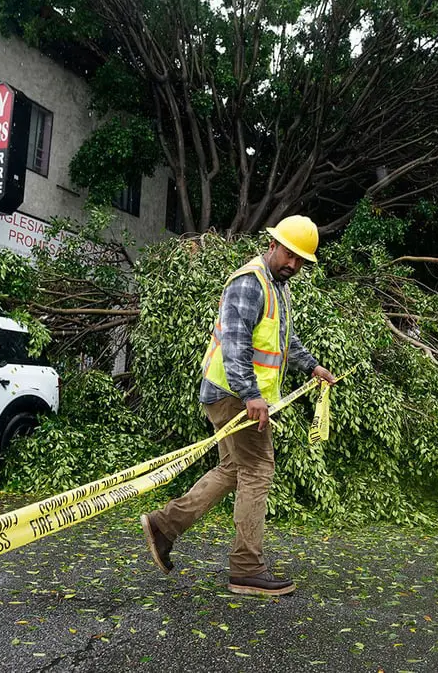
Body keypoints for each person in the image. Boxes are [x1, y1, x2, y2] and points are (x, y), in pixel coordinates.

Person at [140, 215, 337, 597]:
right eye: (290, 255)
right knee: (259, 469)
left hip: (234, 394)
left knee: (232, 470)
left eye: (301, 261)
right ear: (273, 244)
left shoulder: (277, 286)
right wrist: (250, 395)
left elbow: (283, 341)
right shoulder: (251, 282)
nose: (294, 265)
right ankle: (246, 567)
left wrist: (312, 366)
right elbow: (235, 343)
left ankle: (164, 525)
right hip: (233, 394)